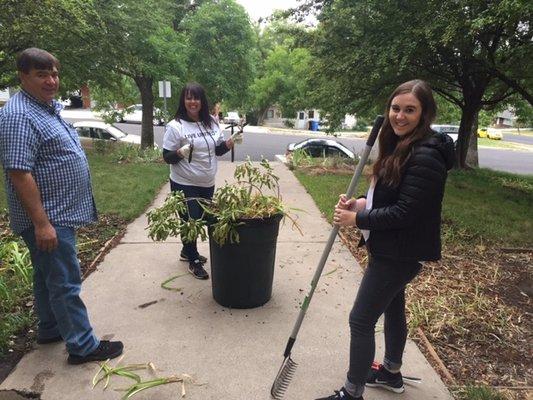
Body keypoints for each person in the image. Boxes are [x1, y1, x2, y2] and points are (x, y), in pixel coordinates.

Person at [317, 80, 454, 400]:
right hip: (393, 248)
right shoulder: (402, 144)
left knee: (361, 319)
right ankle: (391, 372)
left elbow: (407, 212)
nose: (400, 116)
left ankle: (352, 392)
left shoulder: (427, 155)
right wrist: (362, 203)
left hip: (400, 253)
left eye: (410, 110)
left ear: (425, 114)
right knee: (393, 309)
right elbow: (389, 193)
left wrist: (358, 219)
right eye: (396, 108)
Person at [0, 48, 123, 364]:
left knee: (47, 276)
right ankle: (83, 345)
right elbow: (19, 172)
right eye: (42, 74)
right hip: (48, 216)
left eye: (54, 73)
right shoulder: (18, 115)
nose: (51, 80)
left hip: (57, 213)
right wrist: (42, 223)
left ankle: (50, 328)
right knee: (65, 281)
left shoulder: (42, 108)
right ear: (23, 76)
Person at [162, 83, 237, 280]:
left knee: (203, 218)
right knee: (190, 221)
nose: (193, 102)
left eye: (196, 98)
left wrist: (229, 143)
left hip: (207, 181)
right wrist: (179, 152)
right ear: (183, 101)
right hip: (184, 182)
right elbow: (166, 157)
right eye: (188, 98)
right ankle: (193, 260)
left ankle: (186, 251)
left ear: (202, 101)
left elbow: (217, 150)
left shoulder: (211, 122)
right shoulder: (175, 126)